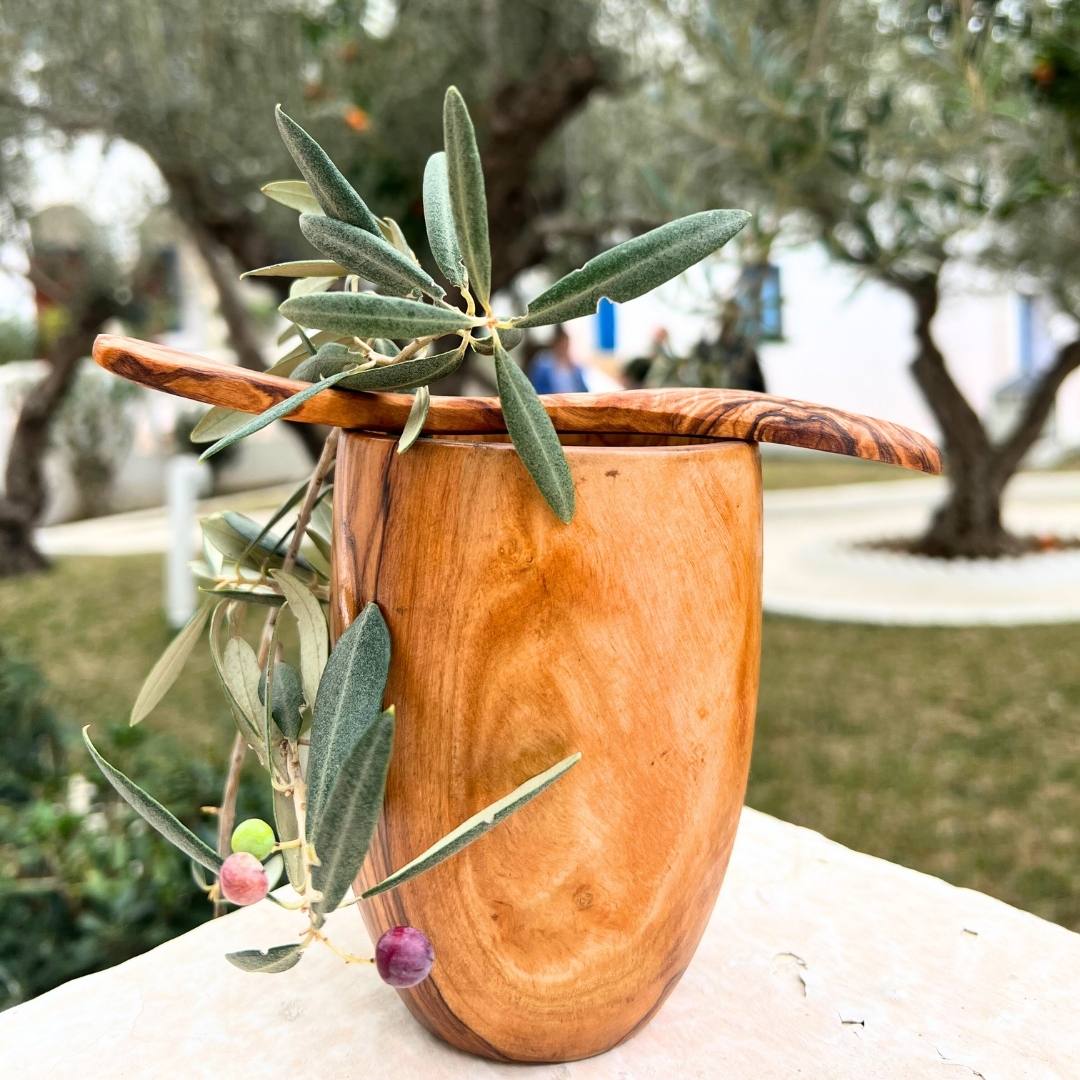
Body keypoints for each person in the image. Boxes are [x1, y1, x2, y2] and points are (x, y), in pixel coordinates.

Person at [529, 326, 589, 394]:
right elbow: (537, 387)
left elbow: (584, 389)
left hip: (573, 401)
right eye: (562, 344)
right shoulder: (543, 363)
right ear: (556, 343)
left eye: (566, 344)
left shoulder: (575, 367)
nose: (564, 347)